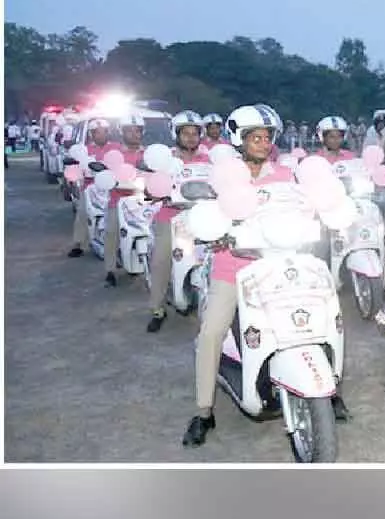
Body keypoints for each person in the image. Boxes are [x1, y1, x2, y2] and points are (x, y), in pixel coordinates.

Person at [183, 103, 350, 446]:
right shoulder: (223, 176)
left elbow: (303, 207)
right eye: (254, 137)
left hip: (280, 263)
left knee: (320, 317)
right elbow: (208, 213)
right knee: (212, 331)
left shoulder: (286, 176)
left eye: (267, 137)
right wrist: (217, 233)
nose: (262, 142)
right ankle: (203, 411)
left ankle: (328, 389)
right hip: (234, 265)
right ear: (239, 140)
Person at [146, 111, 209, 332]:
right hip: (171, 216)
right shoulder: (166, 160)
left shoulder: (208, 160)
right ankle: (157, 308)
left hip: (204, 216)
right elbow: (151, 185)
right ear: (176, 134)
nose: (191, 138)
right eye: (186, 133)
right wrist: (154, 191)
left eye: (195, 133)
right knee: (161, 261)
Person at [102, 113, 148, 287]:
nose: (134, 134)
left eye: (138, 131)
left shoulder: (147, 154)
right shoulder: (114, 155)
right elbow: (106, 174)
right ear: (122, 132)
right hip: (119, 201)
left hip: (143, 200)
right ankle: (110, 269)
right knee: (111, 232)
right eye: (130, 131)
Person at [67, 119, 118, 258]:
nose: (100, 135)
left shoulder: (116, 148)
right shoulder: (85, 150)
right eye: (96, 133)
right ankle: (78, 244)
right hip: (90, 187)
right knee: (82, 212)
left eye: (103, 132)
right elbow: (76, 164)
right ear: (91, 134)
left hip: (111, 187)